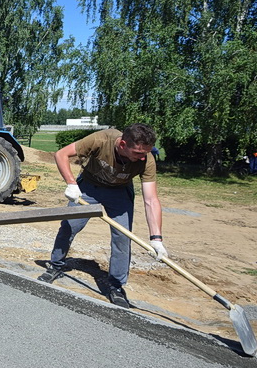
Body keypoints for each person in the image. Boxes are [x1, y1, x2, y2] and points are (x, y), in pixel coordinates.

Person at [38, 123, 168, 308]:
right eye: (138, 153)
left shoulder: (146, 160)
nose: (141, 158)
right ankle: (56, 265)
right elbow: (61, 154)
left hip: (119, 193)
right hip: (89, 187)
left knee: (122, 237)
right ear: (122, 144)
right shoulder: (101, 140)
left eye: (145, 153)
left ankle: (116, 285)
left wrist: (156, 238)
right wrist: (71, 184)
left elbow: (151, 200)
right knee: (70, 226)